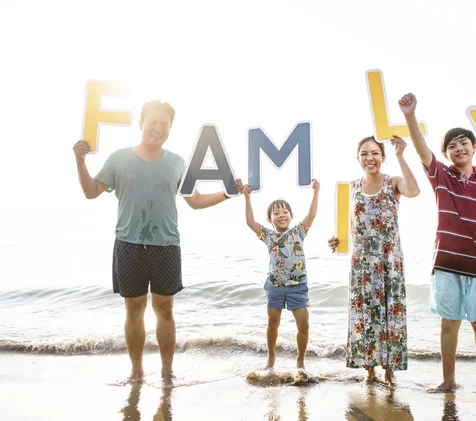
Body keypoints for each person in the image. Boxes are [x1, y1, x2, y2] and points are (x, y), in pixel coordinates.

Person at [72, 100, 241, 383]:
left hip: (166, 244)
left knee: (165, 308)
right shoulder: (119, 158)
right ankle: (137, 371)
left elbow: (195, 202)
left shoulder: (177, 163)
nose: (158, 129)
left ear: (170, 129)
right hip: (128, 243)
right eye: (153, 123)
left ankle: (166, 371)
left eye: (165, 125)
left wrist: (227, 194)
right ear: (140, 124)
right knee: (133, 309)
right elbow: (91, 191)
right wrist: (80, 161)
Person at [398, 93, 476, 394]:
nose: (458, 148)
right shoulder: (440, 175)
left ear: (474, 147)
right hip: (447, 262)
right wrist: (410, 116)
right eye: (452, 146)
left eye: (463, 143)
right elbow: (421, 148)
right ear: (447, 154)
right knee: (448, 323)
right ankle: (448, 380)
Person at [328, 135, 420, 385]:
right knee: (365, 315)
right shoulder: (351, 187)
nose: (370, 158)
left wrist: (402, 155)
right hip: (362, 264)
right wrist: (337, 241)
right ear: (357, 158)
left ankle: (389, 368)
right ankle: (369, 369)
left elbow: (414, 190)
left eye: (375, 153)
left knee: (390, 314)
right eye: (364, 154)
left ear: (383, 156)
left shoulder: (394, 183)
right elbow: (346, 225)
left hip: (389, 261)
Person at [238, 179, 320, 374]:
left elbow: (312, 215)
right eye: (276, 213)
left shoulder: (299, 232)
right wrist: (247, 198)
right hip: (275, 286)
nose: (281, 216)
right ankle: (271, 357)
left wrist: (315, 193)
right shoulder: (268, 235)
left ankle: (300, 361)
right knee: (272, 323)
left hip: (298, 286)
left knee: (304, 325)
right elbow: (250, 222)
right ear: (270, 219)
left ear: (291, 216)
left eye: (285, 213)